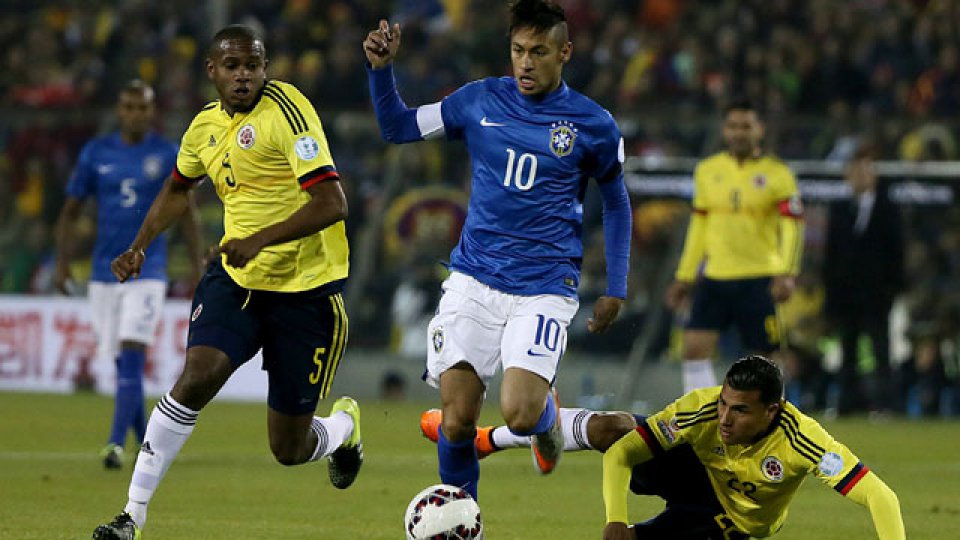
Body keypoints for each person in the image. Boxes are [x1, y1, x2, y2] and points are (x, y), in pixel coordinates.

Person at [93, 25, 362, 539]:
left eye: (253, 65)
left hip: (306, 292)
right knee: (196, 376)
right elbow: (178, 190)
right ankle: (132, 517)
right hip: (236, 280)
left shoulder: (288, 111)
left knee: (288, 448)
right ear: (212, 71)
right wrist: (140, 244)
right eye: (233, 66)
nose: (244, 76)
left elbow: (333, 203)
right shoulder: (203, 129)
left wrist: (260, 239)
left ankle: (344, 430)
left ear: (265, 67)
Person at [363, 0, 632, 499]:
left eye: (538, 51)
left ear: (564, 52)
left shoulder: (593, 124)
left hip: (545, 285)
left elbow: (616, 203)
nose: (526, 62)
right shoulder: (478, 100)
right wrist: (382, 72)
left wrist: (616, 286)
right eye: (517, 51)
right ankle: (467, 523)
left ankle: (547, 419)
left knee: (520, 413)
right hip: (474, 279)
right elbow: (397, 127)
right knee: (458, 420)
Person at [422, 356, 905, 539]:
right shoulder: (702, 408)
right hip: (692, 472)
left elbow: (881, 497)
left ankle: (511, 434)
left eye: (740, 411)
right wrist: (613, 516)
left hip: (732, 524)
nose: (725, 417)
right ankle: (495, 437)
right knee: (616, 429)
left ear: (772, 411)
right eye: (725, 404)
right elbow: (624, 455)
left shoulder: (803, 438)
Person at [54, 80, 203, 470]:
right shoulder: (96, 152)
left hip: (148, 268)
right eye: (129, 106)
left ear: (152, 111)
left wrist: (196, 264)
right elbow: (70, 211)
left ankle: (114, 444)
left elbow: (186, 210)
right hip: (105, 272)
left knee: (133, 351)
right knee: (122, 364)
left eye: (143, 107)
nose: (135, 113)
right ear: (120, 110)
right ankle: (145, 441)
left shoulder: (168, 153)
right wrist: (62, 262)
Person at [665, 99, 804, 393]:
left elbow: (792, 226)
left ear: (759, 130)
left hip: (760, 276)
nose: (739, 133)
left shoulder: (778, 173)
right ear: (724, 130)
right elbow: (699, 227)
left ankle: (766, 421)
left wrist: (788, 272)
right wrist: (685, 275)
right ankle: (702, 418)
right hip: (715, 275)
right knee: (693, 347)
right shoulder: (707, 170)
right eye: (733, 126)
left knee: (764, 360)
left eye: (746, 126)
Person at [823, 145, 904, 415]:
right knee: (848, 350)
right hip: (846, 295)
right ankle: (847, 404)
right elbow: (831, 254)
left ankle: (886, 405)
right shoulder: (839, 208)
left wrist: (894, 289)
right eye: (855, 171)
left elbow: (896, 252)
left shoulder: (888, 208)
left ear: (874, 176)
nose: (859, 176)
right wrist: (831, 293)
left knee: (881, 350)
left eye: (865, 171)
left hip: (877, 294)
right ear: (848, 176)